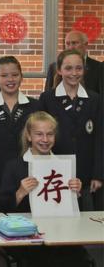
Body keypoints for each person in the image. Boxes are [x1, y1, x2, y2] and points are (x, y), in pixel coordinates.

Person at [0, 111, 91, 267]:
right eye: (39, 134)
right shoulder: (14, 166)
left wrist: (77, 193)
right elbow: (3, 209)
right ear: (29, 136)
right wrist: (20, 192)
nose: (45, 140)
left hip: (62, 233)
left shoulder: (64, 165)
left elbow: (76, 214)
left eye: (50, 134)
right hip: (28, 237)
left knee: (76, 256)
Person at [39, 49, 102, 210]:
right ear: (59, 70)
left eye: (78, 68)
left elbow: (100, 138)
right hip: (55, 174)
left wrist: (98, 174)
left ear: (84, 70)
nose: (74, 73)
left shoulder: (95, 99)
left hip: (86, 175)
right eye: (68, 68)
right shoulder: (47, 98)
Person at [0, 56, 40, 206]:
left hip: (28, 175)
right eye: (4, 76)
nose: (10, 79)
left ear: (21, 77)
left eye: (14, 75)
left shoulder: (35, 106)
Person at [44, 31, 102, 95]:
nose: (71, 47)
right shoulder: (54, 67)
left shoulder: (99, 67)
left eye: (74, 43)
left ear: (85, 44)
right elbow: (48, 94)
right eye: (67, 44)